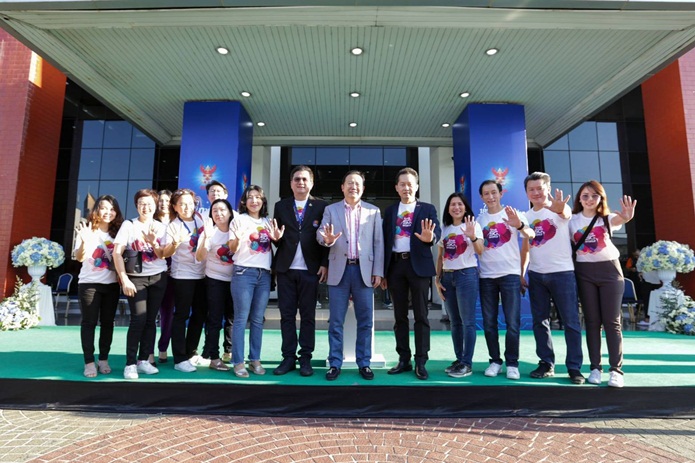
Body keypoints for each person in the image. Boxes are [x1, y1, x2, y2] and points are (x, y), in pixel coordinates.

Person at [317, 170, 384, 381]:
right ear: (342, 187)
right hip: (339, 270)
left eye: (357, 184)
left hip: (364, 271)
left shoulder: (373, 211)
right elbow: (320, 234)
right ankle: (335, 363)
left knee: (365, 321)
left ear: (362, 188)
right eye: (349, 183)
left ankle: (364, 363)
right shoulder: (331, 210)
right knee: (336, 321)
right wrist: (327, 239)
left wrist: (378, 271)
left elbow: (379, 243)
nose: (353, 187)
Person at [570, 180, 636, 388]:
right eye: (585, 196)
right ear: (579, 199)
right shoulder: (571, 220)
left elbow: (621, 218)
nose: (589, 199)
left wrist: (627, 216)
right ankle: (595, 368)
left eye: (594, 196)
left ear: (601, 198)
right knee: (592, 321)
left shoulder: (606, 219)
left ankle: (616, 370)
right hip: (584, 272)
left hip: (610, 272)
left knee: (612, 322)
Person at [522, 172, 585, 384]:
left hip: (563, 273)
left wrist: (560, 209)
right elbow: (526, 249)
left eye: (540, 188)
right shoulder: (526, 217)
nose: (536, 193)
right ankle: (546, 362)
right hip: (536, 275)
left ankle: (574, 367)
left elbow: (565, 213)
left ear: (548, 189)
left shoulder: (559, 210)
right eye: (531, 189)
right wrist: (522, 273)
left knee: (571, 322)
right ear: (526, 193)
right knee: (540, 321)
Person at [381, 167, 440, 380]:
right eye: (402, 184)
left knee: (421, 315)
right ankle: (403, 359)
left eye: (410, 184)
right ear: (396, 188)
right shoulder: (390, 211)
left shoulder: (427, 209)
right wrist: (383, 272)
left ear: (417, 187)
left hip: (419, 267)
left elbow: (436, 232)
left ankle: (421, 360)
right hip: (396, 266)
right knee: (399, 316)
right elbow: (384, 241)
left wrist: (430, 239)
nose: (406, 188)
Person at [271, 166, 329, 377]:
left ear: (311, 183)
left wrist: (324, 263)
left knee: (308, 316)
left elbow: (326, 238)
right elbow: (277, 237)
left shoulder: (321, 206)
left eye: (305, 179)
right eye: (297, 179)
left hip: (310, 270)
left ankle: (305, 358)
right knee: (286, 316)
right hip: (286, 269)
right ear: (291, 183)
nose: (301, 183)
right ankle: (288, 357)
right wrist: (275, 239)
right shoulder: (281, 206)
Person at [476, 180, 534, 381]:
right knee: (489, 323)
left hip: (510, 275)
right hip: (486, 276)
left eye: (494, 192)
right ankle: (495, 361)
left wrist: (519, 225)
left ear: (501, 193)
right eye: (486, 193)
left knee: (512, 322)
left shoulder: (513, 214)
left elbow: (530, 234)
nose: (490, 196)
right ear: (482, 197)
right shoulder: (480, 220)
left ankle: (512, 363)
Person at [113, 189, 168, 380]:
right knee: (138, 320)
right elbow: (117, 253)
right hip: (136, 278)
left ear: (156, 205)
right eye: (141, 204)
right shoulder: (129, 225)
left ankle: (143, 360)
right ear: (136, 206)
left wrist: (154, 243)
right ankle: (130, 364)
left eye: (149, 204)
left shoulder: (161, 227)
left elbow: (163, 255)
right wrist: (124, 279)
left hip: (158, 277)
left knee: (151, 320)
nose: (145, 207)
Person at [228, 185, 280, 378]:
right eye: (250, 197)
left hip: (264, 274)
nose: (254, 201)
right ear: (244, 201)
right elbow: (232, 248)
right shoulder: (239, 220)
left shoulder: (267, 221)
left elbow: (274, 243)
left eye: (258, 197)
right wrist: (237, 238)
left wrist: (276, 238)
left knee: (258, 319)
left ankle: (255, 359)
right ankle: (238, 361)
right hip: (243, 272)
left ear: (263, 201)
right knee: (241, 319)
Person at [74, 195, 124, 378]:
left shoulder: (118, 233)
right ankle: (89, 362)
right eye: (103, 208)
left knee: (108, 323)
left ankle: (103, 359)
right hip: (89, 284)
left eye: (112, 209)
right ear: (96, 210)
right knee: (89, 323)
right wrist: (84, 242)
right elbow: (79, 257)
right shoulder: (87, 230)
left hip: (111, 285)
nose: (108, 212)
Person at [434, 192, 483, 378]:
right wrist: (437, 279)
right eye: (452, 204)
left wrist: (472, 237)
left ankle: (466, 363)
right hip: (448, 277)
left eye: (460, 204)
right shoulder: (445, 229)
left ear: (465, 207)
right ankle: (459, 359)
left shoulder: (473, 225)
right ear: (448, 209)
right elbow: (440, 256)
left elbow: (481, 251)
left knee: (467, 321)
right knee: (455, 322)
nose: (456, 207)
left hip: (466, 276)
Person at [163, 188, 208, 373]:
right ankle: (179, 358)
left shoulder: (200, 220)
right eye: (181, 204)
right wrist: (175, 243)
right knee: (181, 315)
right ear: (175, 207)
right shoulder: (173, 226)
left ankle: (191, 352)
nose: (186, 207)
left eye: (190, 203)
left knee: (200, 314)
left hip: (202, 274)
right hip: (183, 276)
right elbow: (166, 252)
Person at [195, 198, 236, 372]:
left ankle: (230, 352)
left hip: (236, 281)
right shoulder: (209, 232)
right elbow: (199, 257)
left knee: (232, 319)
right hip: (215, 280)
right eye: (215, 211)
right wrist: (206, 238)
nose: (219, 214)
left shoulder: (236, 229)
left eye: (222, 210)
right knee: (214, 319)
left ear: (230, 212)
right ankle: (213, 357)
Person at [153, 189, 174, 365]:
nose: (163, 203)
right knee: (150, 314)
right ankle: (146, 351)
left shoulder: (178, 222)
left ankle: (163, 347)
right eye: (160, 200)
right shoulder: (150, 222)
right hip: (153, 272)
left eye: (167, 200)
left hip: (174, 273)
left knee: (168, 313)